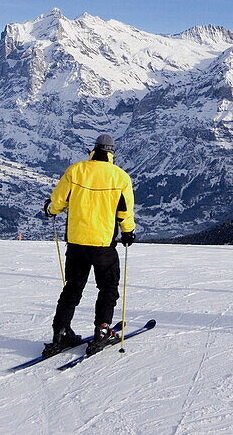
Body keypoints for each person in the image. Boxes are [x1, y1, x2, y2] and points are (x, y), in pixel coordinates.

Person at [42, 133, 135, 358]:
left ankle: (60, 333)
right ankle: (103, 330)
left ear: (94, 150)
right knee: (108, 288)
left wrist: (50, 210)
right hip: (103, 244)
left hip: (76, 243)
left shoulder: (76, 171)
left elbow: (58, 202)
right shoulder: (120, 177)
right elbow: (124, 212)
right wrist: (128, 233)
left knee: (72, 288)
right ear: (111, 153)